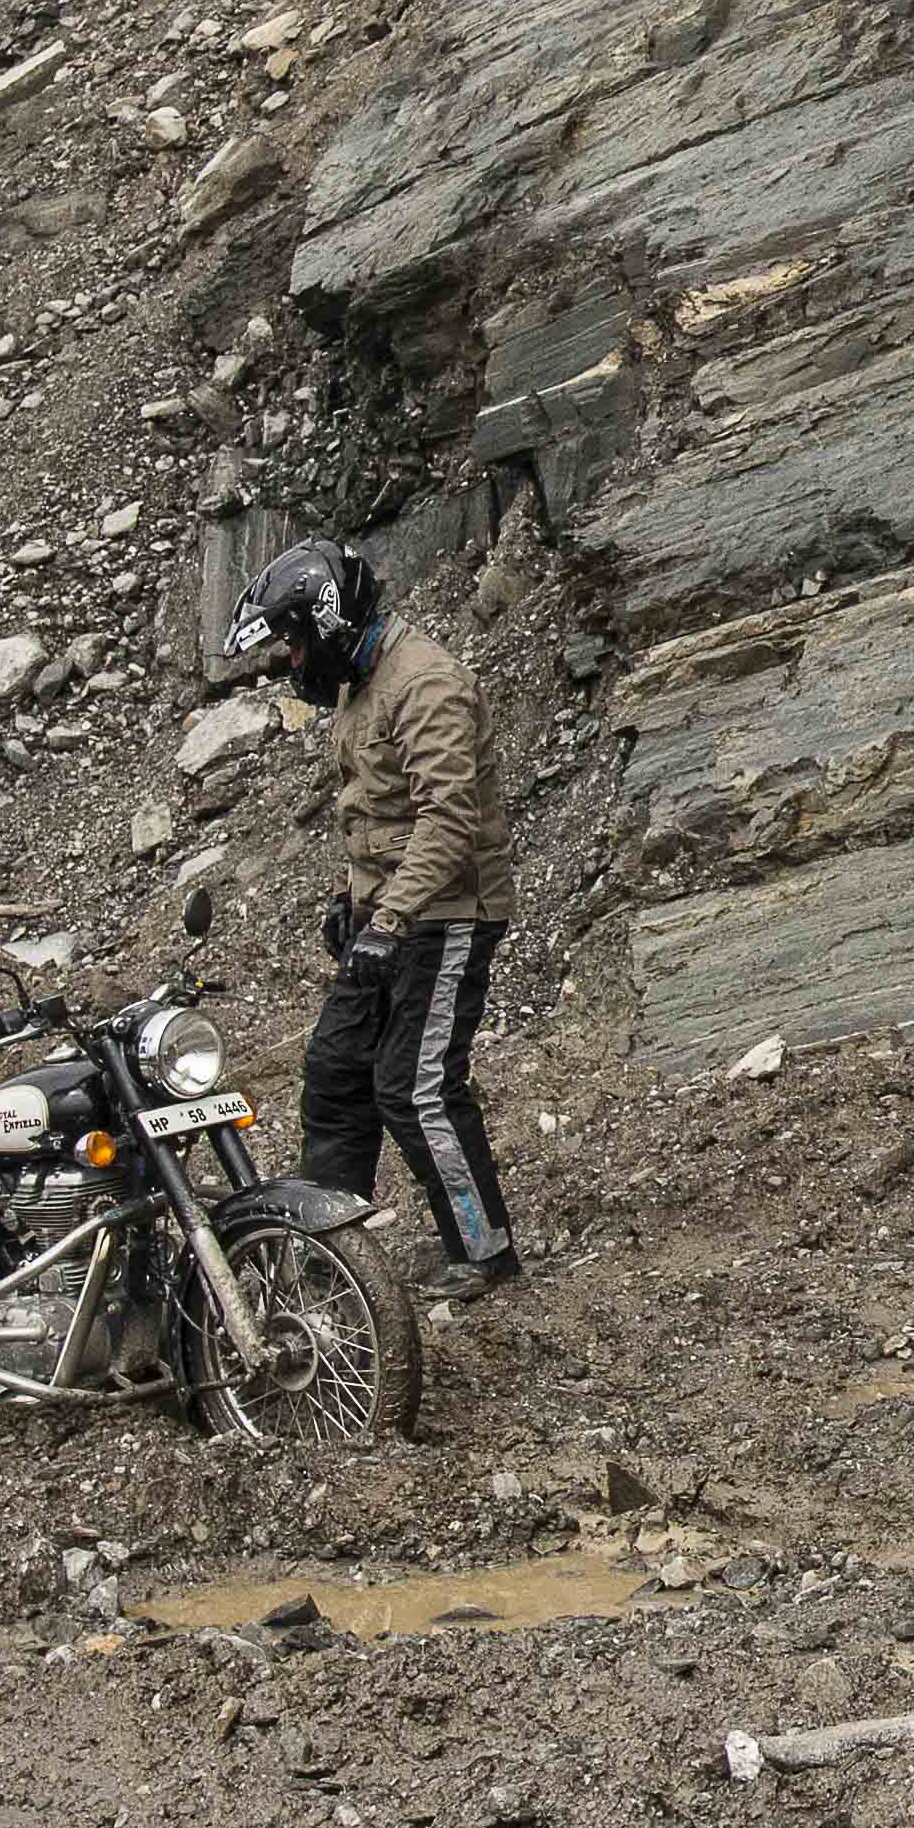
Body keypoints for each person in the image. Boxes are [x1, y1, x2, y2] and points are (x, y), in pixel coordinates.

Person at [224, 540, 524, 1299]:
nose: (292, 661)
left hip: (450, 911)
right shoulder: (361, 684)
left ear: (327, 619)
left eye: (294, 642)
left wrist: (387, 920)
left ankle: (484, 1250)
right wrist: (351, 902)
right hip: (392, 913)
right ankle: (330, 1251)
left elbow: (448, 819)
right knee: (334, 1068)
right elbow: (376, 813)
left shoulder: (425, 683)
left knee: (415, 1087)